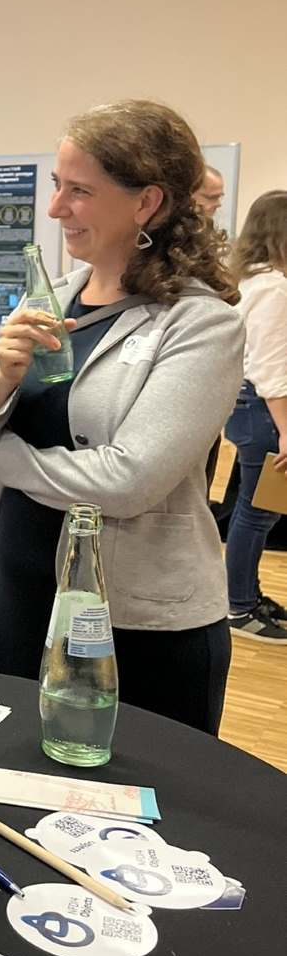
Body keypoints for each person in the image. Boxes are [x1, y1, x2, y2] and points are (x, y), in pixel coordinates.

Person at [0, 99, 244, 736]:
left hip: (134, 623)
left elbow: (127, 482)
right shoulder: (50, 294)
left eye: (79, 191)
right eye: (57, 184)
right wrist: (1, 380)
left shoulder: (201, 323)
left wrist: (1, 458)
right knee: (5, 779)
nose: (54, 208)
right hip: (23, 593)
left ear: (146, 203)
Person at [223, 190, 287, 642]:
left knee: (259, 509)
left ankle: (246, 595)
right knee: (258, 510)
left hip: (252, 407)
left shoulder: (253, 281)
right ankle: (239, 608)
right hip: (263, 410)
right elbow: (271, 369)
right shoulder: (275, 288)